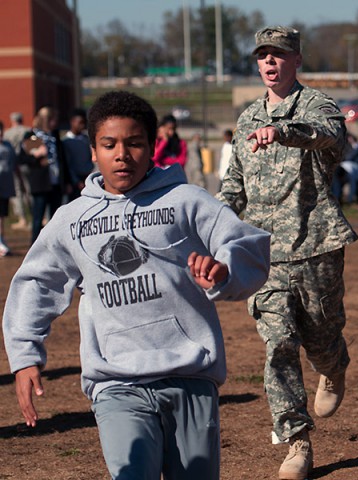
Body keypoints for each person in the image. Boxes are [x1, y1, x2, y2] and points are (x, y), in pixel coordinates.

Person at [2, 90, 271, 480]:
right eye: (109, 145)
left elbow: (247, 243)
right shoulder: (71, 219)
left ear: (152, 146)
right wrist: (25, 354)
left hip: (189, 374)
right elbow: (36, 282)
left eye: (134, 143)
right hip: (116, 381)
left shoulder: (185, 201)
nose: (122, 155)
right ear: (92, 150)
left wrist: (224, 270)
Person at [216, 26, 358, 480]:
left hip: (315, 245)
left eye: (278, 54)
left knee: (321, 334)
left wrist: (282, 131)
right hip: (263, 254)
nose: (269, 62)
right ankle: (297, 442)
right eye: (262, 55)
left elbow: (330, 136)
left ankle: (333, 367)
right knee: (278, 345)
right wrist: (211, 224)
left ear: (296, 59)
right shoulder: (244, 120)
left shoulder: (318, 105)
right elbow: (233, 185)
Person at [19, 106, 71, 244]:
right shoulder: (31, 135)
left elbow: (62, 159)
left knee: (55, 217)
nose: (56, 122)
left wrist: (66, 181)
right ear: (46, 120)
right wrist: (36, 156)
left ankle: (53, 245)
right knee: (38, 217)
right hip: (40, 183)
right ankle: (35, 246)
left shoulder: (54, 135)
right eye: (53, 120)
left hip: (55, 182)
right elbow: (22, 159)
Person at [3, 112, 31, 230]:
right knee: (29, 190)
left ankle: (22, 218)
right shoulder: (27, 130)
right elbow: (32, 146)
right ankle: (37, 216)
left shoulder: (7, 133)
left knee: (18, 192)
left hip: (14, 165)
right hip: (27, 164)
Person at [62, 107, 94, 201]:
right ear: (72, 122)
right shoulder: (66, 142)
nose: (82, 125)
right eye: (80, 122)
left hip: (87, 177)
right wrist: (76, 181)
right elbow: (67, 164)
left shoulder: (86, 139)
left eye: (84, 122)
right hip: (75, 181)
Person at [0, 121, 16, 256]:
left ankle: (1, 238)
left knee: (3, 214)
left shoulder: (7, 145)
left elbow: (14, 163)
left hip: (5, 184)